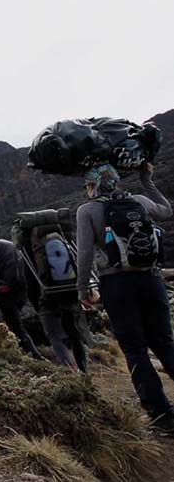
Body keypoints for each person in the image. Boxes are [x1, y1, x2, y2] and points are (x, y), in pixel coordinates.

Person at [76, 163, 174, 431]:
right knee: (165, 343)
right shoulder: (139, 201)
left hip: (117, 284)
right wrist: (147, 180)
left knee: (135, 350)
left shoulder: (88, 210)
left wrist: (82, 289)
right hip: (151, 279)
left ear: (93, 186)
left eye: (87, 186)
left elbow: (84, 255)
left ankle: (162, 416)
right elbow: (167, 210)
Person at [0, 239, 44, 359]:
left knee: (17, 327)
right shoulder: (3, 249)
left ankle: (34, 356)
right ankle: (15, 347)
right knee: (13, 323)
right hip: (22, 289)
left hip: (8, 292)